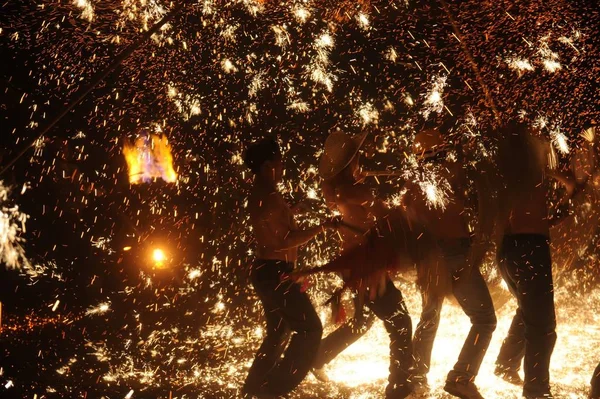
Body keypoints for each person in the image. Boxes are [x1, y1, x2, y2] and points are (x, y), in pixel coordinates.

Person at [315, 131, 416, 399]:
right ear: (351, 165)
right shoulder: (355, 191)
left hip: (358, 265)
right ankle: (399, 386)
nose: (362, 164)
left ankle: (317, 356)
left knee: (364, 319)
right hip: (366, 267)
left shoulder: (340, 192)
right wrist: (408, 193)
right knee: (401, 323)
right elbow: (389, 216)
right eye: (358, 160)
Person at [402, 128, 497, 399]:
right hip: (455, 254)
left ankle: (415, 376)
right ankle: (460, 377)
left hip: (429, 258)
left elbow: (409, 220)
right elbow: (475, 177)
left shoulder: (413, 185)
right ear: (439, 151)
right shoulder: (450, 171)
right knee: (484, 319)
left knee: (429, 316)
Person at [241, 137, 338, 398]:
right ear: (266, 165)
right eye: (278, 161)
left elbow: (273, 225)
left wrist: (293, 210)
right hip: (275, 272)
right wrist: (322, 227)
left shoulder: (265, 193)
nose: (283, 166)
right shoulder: (270, 197)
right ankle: (273, 390)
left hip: (268, 271)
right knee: (310, 329)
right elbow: (284, 241)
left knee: (278, 332)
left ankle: (253, 390)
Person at [491, 123, 562, 399]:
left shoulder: (511, 175)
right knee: (543, 327)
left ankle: (506, 362)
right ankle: (536, 391)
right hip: (530, 250)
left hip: (511, 250)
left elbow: (536, 216)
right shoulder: (528, 175)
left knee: (528, 310)